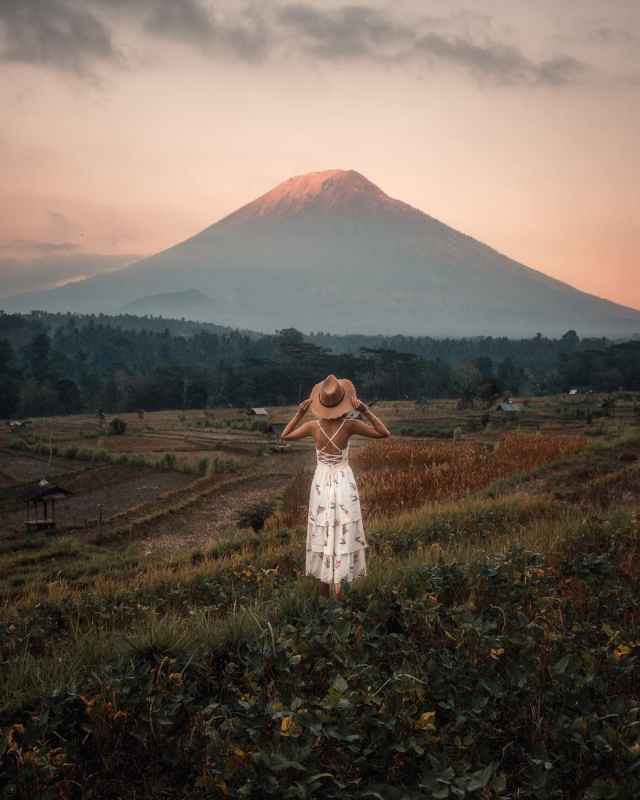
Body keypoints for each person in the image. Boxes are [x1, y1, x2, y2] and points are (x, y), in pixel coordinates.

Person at [280, 374, 391, 599]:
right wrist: (366, 411)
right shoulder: (350, 426)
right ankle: (340, 591)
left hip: (321, 483)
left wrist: (300, 413)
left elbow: (285, 435)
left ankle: (323, 594)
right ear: (344, 402)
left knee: (323, 527)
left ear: (320, 403)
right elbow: (383, 433)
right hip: (343, 482)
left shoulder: (312, 426)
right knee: (342, 529)